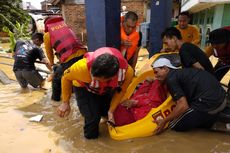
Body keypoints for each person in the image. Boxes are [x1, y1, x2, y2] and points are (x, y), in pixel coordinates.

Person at [57, 47, 134, 139]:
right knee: (93, 118)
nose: (92, 77)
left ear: (113, 77)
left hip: (106, 89)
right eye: (92, 75)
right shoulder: (82, 67)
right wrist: (65, 102)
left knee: (114, 115)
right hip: (83, 88)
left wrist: (111, 111)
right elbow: (66, 77)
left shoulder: (127, 73)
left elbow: (120, 92)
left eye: (97, 79)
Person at [152, 58, 227, 134]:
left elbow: (183, 106)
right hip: (222, 98)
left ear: (165, 68)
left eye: (156, 72)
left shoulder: (171, 79)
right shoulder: (182, 72)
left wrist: (164, 120)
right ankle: (216, 122)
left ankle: (214, 121)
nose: (155, 76)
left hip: (209, 103)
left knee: (172, 125)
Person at [43, 16, 87, 101]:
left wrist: (52, 64)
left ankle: (55, 101)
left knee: (56, 79)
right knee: (76, 77)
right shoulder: (66, 27)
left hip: (70, 58)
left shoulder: (47, 35)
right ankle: (72, 92)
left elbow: (49, 52)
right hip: (83, 54)